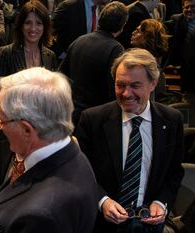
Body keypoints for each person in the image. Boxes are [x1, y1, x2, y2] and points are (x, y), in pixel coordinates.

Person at [0, 67, 100, 233]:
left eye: (1, 122)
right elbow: (14, 194)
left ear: (27, 130)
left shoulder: (42, 217)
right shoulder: (65, 153)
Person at [75, 48, 184, 233]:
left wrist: (160, 202)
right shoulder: (92, 120)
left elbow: (174, 173)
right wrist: (102, 201)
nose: (126, 93)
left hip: (149, 224)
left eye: (135, 85)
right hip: (101, 224)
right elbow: (80, 174)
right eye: (120, 85)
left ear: (153, 83)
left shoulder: (172, 120)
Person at [59, 1, 128, 126]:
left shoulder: (79, 40)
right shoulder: (116, 49)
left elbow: (61, 76)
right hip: (95, 118)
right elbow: (114, 90)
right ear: (122, 27)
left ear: (101, 19)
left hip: (70, 112)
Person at [0, 0, 57, 95]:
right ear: (21, 26)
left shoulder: (50, 56)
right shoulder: (6, 53)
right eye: (28, 23)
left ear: (45, 27)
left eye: (39, 23)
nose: (33, 28)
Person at [164, 0, 195, 103]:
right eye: (187, 7)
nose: (189, 10)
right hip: (184, 66)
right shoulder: (177, 19)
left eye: (193, 6)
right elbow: (161, 27)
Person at [130, 18, 169, 98]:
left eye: (138, 31)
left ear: (147, 36)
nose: (133, 33)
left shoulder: (150, 67)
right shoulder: (138, 59)